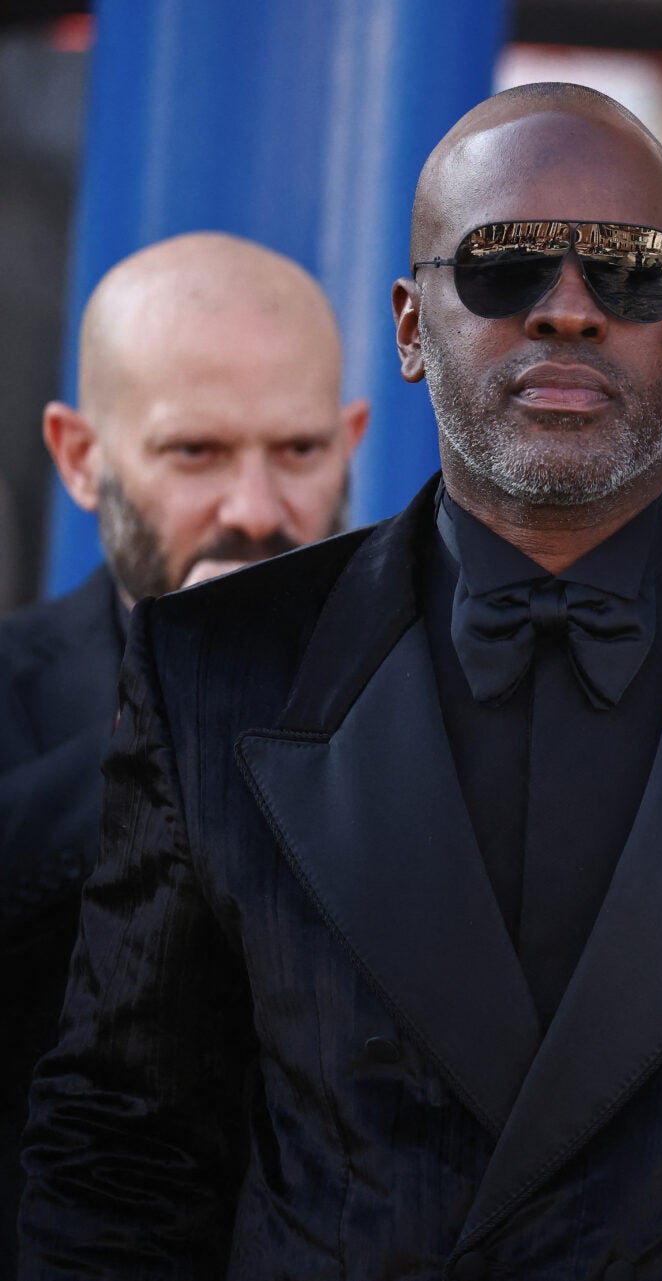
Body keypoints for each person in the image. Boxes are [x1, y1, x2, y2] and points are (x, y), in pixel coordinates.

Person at [19, 83, 662, 1279]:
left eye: (631, 273)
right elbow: (123, 1154)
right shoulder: (212, 667)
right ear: (409, 326)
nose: (569, 310)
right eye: (505, 267)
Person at [0, 230, 367, 1265]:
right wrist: (183, 720)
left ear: (352, 440)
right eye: (196, 453)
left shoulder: (423, 698)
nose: (255, 510)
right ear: (81, 458)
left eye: (298, 452)